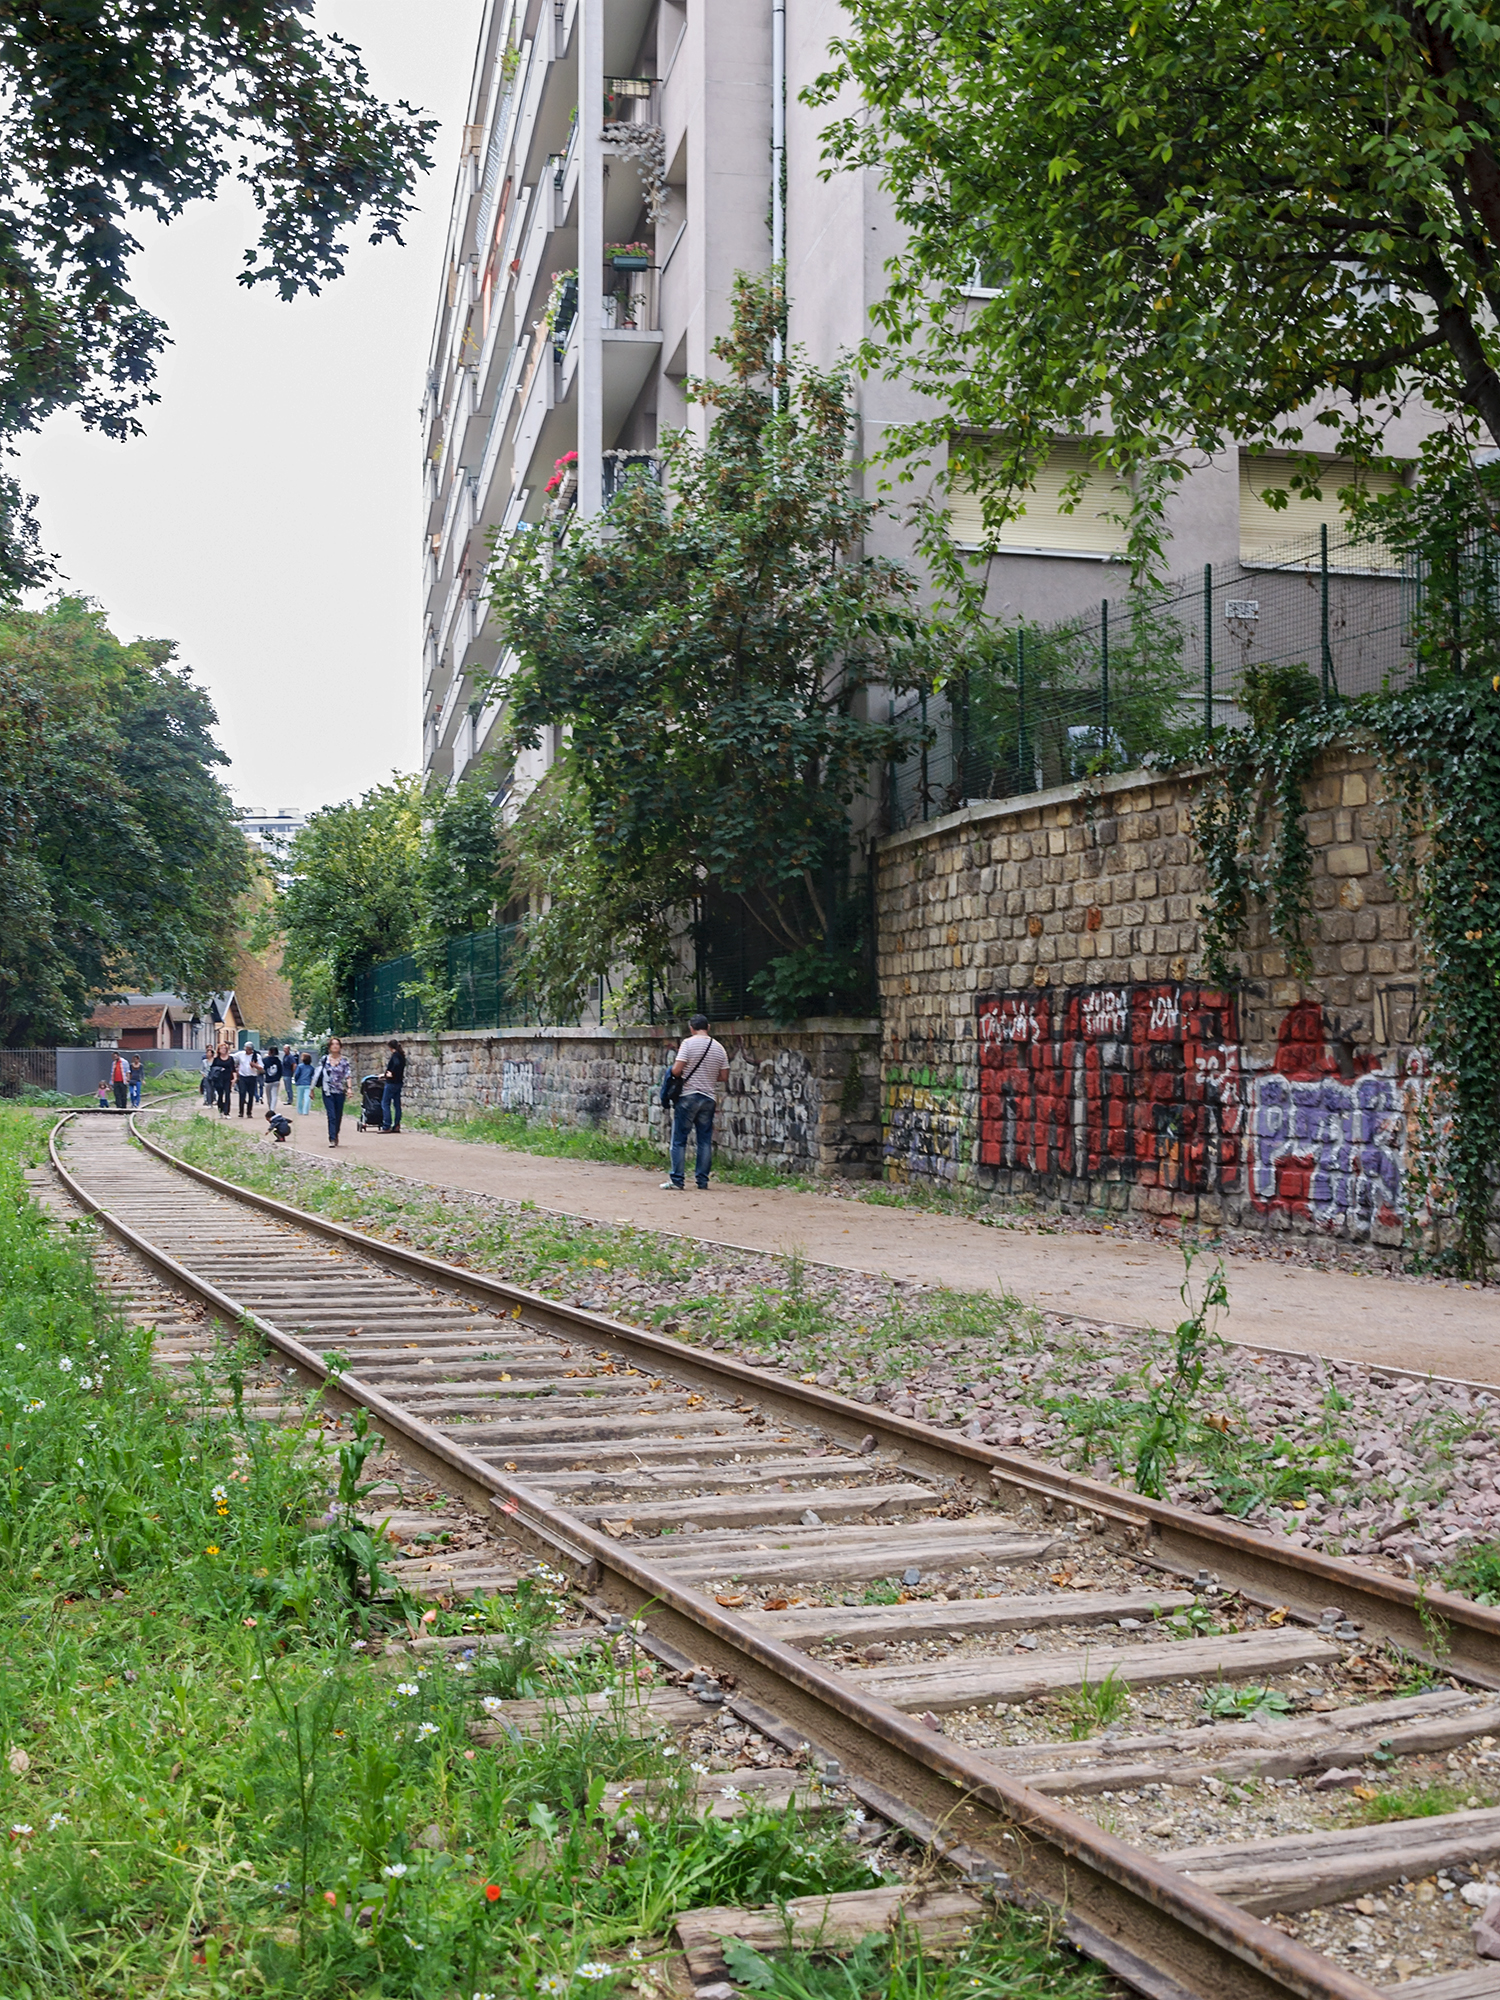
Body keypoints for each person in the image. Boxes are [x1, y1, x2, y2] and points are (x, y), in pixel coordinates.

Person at [660, 1013, 730, 1191]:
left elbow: (676, 1070)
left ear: (691, 1028)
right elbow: (723, 1076)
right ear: (708, 1027)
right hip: (708, 1098)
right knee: (704, 1141)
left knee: (679, 1140)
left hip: (688, 1096)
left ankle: (677, 1180)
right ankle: (702, 1181)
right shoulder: (719, 1047)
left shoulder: (688, 1044)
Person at [312, 1037, 352, 1147]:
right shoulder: (324, 1059)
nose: (335, 1046)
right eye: (333, 1044)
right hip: (327, 1091)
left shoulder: (344, 1061)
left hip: (340, 1091)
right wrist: (312, 1089)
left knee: (338, 1115)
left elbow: (348, 1075)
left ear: (340, 1046)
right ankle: (332, 1138)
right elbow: (317, 1073)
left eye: (337, 1044)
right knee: (331, 1115)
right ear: (329, 1047)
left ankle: (336, 1133)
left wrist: (349, 1088)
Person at [380, 1039, 406, 1133]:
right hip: (399, 1082)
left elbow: (395, 1065)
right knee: (397, 1104)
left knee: (385, 1103)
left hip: (391, 1083)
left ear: (390, 1047)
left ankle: (387, 1125)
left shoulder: (395, 1056)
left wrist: (389, 1073)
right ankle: (397, 1125)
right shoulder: (402, 1055)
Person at [209, 1044, 236, 1117]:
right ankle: (220, 1111)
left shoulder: (230, 1059)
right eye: (221, 1048)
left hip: (228, 1078)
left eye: (224, 1048)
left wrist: (234, 1078)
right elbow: (212, 1068)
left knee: (227, 1094)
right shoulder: (216, 1059)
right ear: (219, 1050)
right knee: (220, 1095)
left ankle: (227, 1112)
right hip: (219, 1079)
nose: (223, 1050)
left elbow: (233, 1069)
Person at [234, 1043, 260, 1118]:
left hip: (252, 1077)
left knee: (251, 1095)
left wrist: (255, 1065)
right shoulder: (240, 1054)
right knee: (242, 1093)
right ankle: (241, 1112)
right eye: (246, 1048)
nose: (247, 1050)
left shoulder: (256, 1056)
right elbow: (232, 1056)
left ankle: (249, 1112)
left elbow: (261, 1067)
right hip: (243, 1077)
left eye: (248, 1049)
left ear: (252, 1050)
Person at [261, 1044, 284, 1114]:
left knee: (268, 1095)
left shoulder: (265, 1060)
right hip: (276, 1080)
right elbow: (281, 1071)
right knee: (274, 1095)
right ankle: (272, 1108)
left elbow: (262, 1069)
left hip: (268, 1080)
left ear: (269, 1052)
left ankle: (270, 1107)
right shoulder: (278, 1061)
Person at [293, 1050, 314, 1117]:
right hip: (308, 1084)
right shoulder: (311, 1068)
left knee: (299, 1098)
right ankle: (305, 1111)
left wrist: (296, 1081)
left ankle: (300, 1111)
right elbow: (313, 1076)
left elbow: (296, 1074)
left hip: (300, 1084)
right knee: (307, 1098)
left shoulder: (300, 1066)